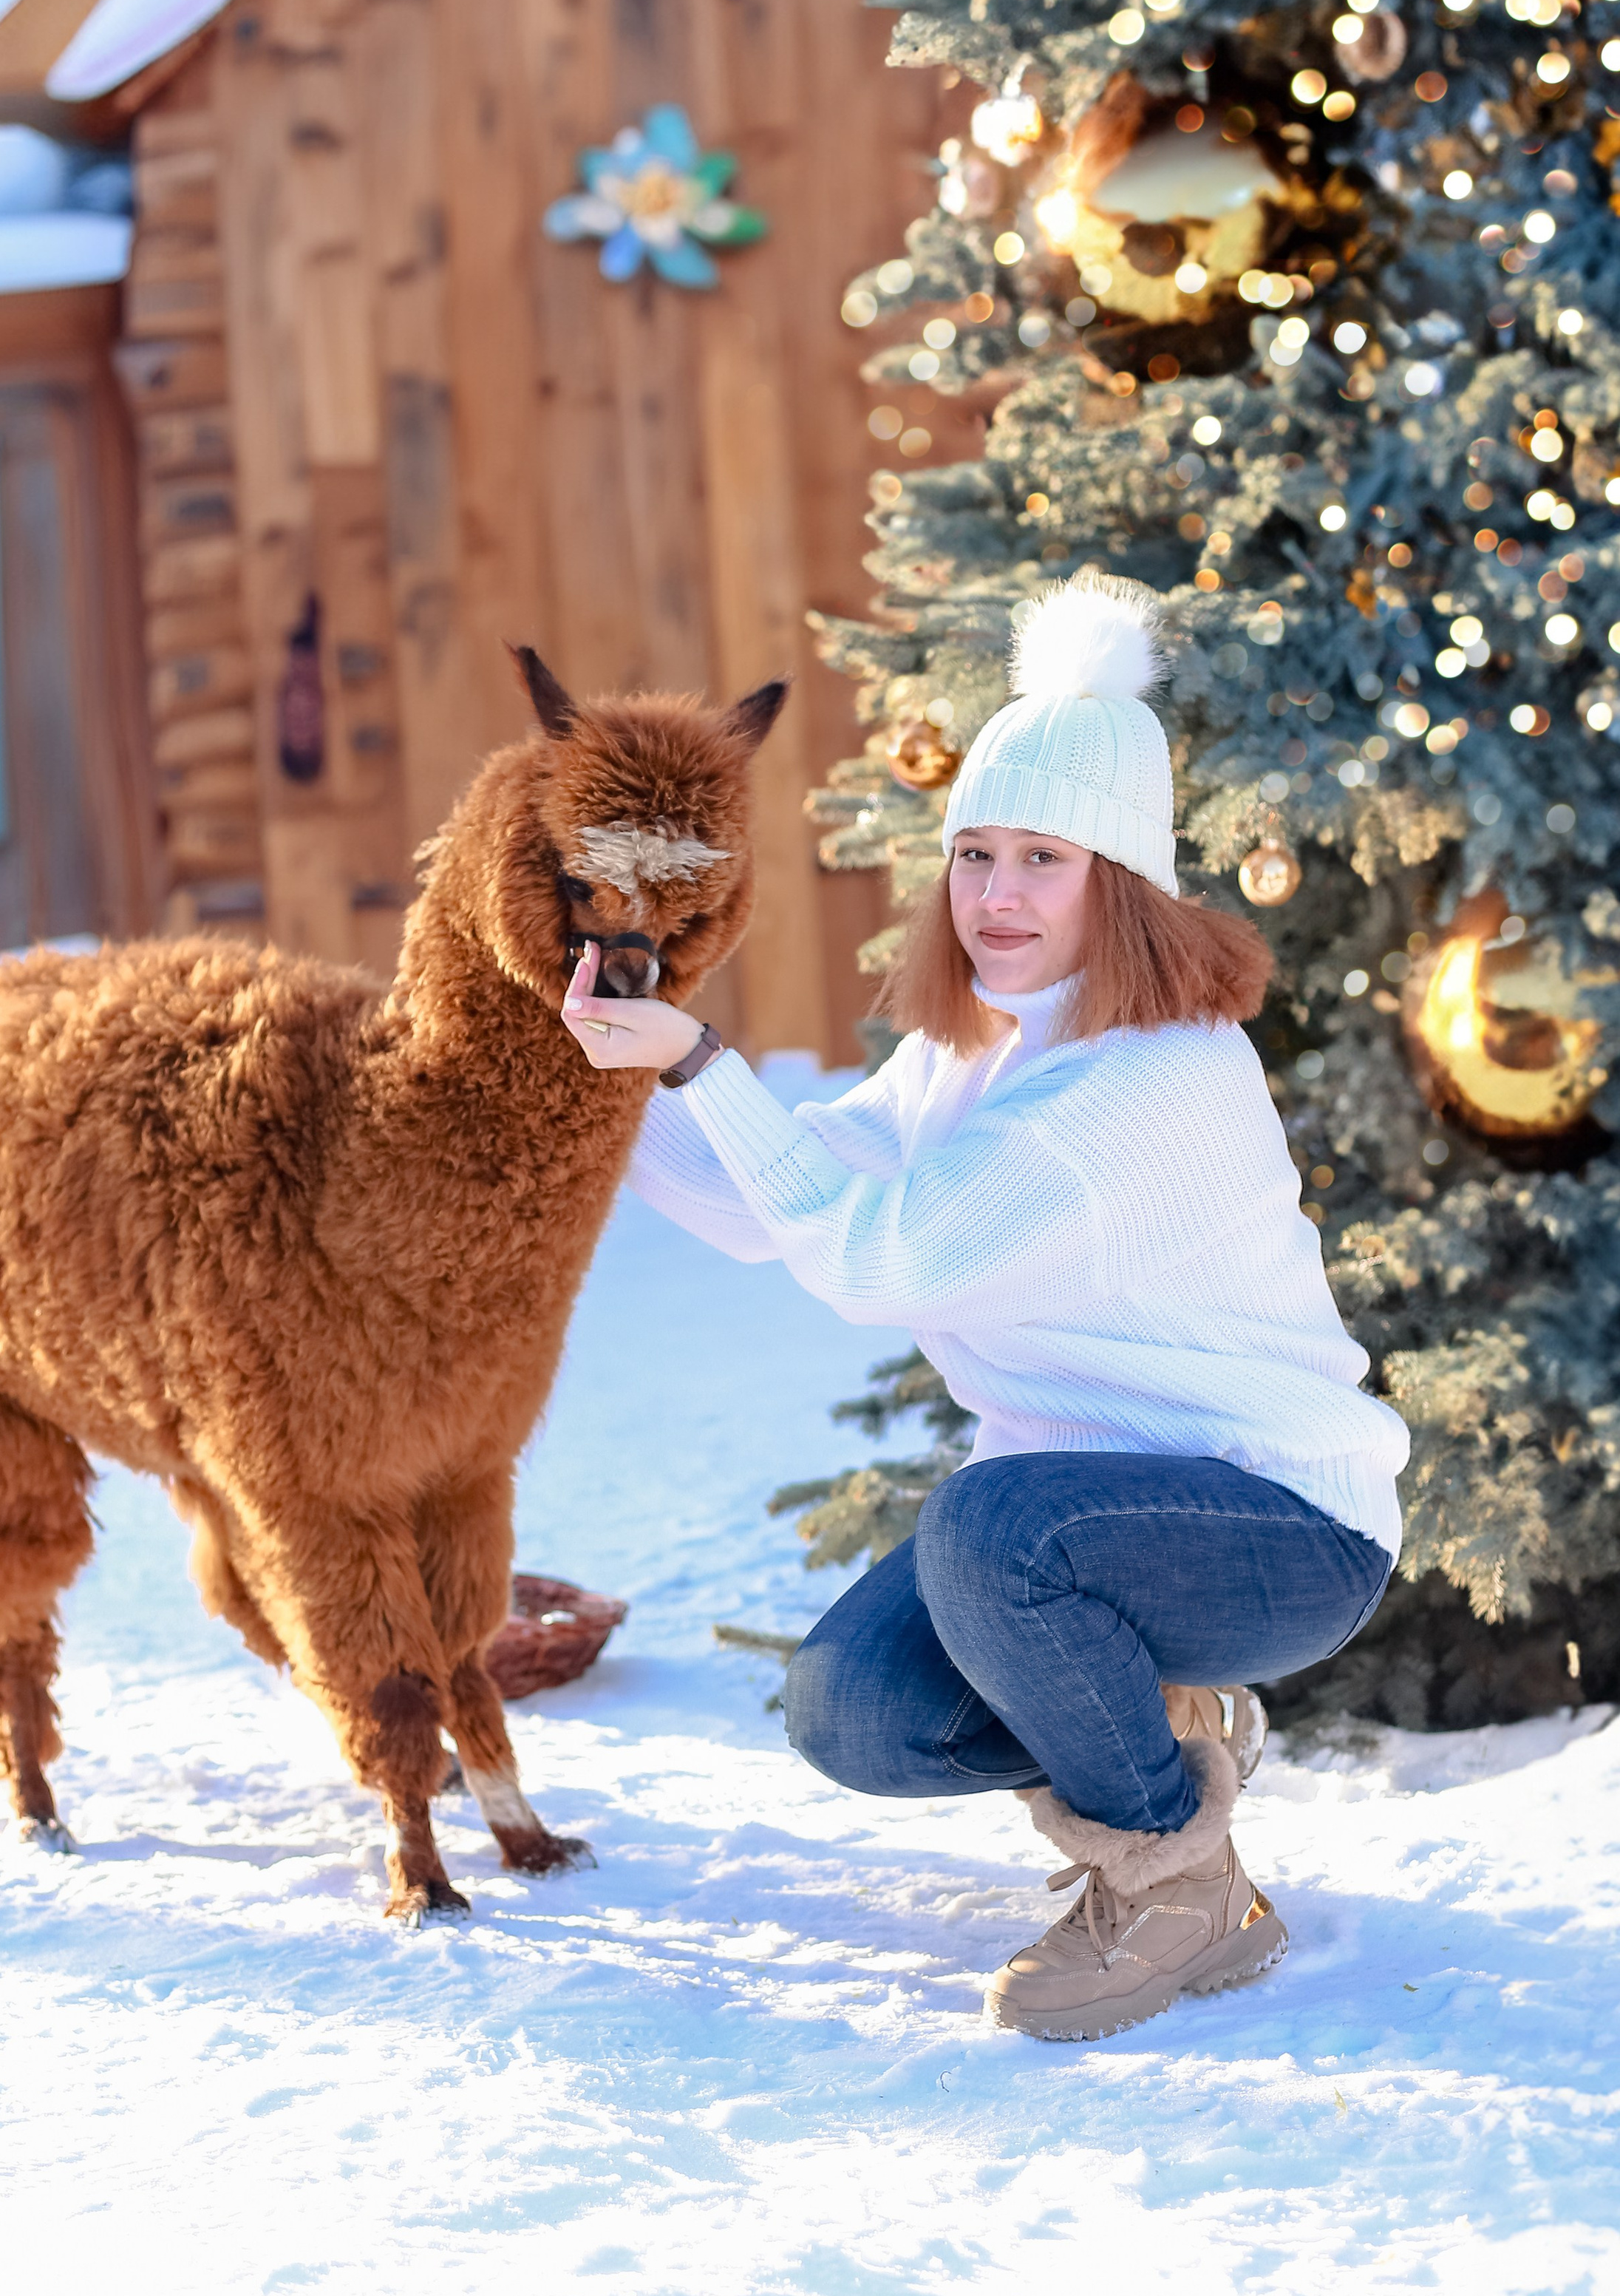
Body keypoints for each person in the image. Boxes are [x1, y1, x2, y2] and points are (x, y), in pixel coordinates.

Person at [560, 572, 1408, 2042]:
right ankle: (1162, 1730)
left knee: (985, 1528)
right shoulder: (988, 1047)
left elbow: (875, 1258)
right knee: (855, 1710)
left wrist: (698, 1061)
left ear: (1119, 879)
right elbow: (799, 1189)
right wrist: (597, 1106)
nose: (994, 894)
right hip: (1102, 1529)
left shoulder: (1140, 1081)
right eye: (972, 854)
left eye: (1040, 858)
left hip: (1276, 1524)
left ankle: (1173, 1884)